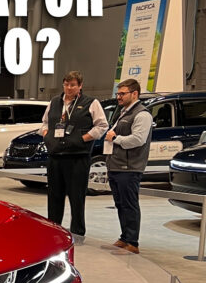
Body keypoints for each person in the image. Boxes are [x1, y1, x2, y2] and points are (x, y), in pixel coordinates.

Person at [39, 71, 108, 237]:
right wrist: (47, 135)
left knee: (76, 197)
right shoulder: (55, 102)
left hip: (77, 157)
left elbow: (102, 126)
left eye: (73, 85)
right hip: (55, 157)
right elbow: (45, 123)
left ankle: (77, 232)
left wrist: (83, 138)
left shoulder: (91, 103)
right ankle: (54, 230)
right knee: (54, 196)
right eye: (66, 85)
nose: (69, 88)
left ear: (80, 86)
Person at [104, 79, 152, 254]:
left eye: (122, 94)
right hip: (116, 165)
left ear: (135, 94)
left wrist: (115, 138)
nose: (119, 97)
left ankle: (132, 242)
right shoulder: (124, 112)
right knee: (120, 204)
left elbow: (138, 139)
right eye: (118, 93)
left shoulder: (142, 115)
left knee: (129, 204)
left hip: (129, 167)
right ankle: (124, 237)